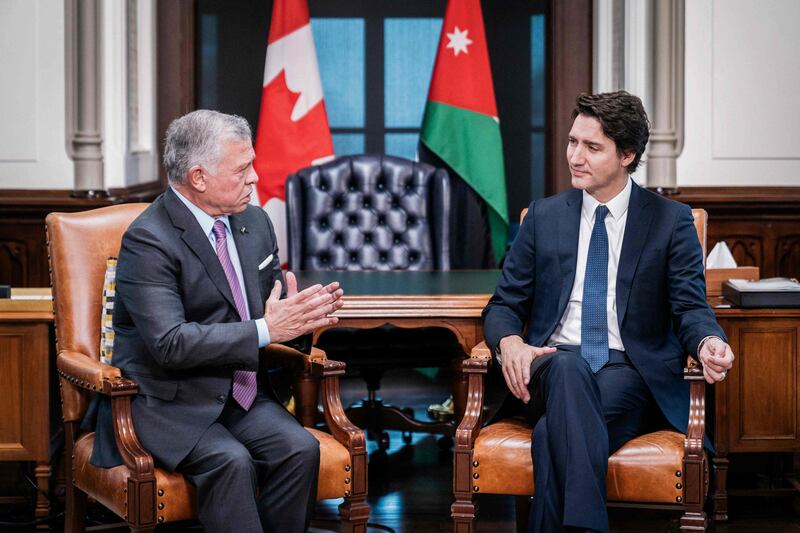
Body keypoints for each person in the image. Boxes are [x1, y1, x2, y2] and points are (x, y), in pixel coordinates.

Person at [482, 91, 735, 533]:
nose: (575, 156)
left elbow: (690, 305)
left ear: (627, 155)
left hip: (627, 369)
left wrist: (709, 341)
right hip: (548, 364)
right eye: (573, 141)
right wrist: (511, 342)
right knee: (565, 368)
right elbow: (504, 304)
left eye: (592, 147)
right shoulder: (543, 216)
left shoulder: (669, 220)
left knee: (549, 436)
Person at [108, 110, 343, 533]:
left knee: (300, 449)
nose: (256, 177)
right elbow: (170, 343)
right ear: (198, 177)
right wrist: (269, 328)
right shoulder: (149, 240)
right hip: (170, 402)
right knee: (231, 462)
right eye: (242, 168)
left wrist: (301, 317)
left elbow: (271, 310)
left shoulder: (253, 221)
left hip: (239, 394)